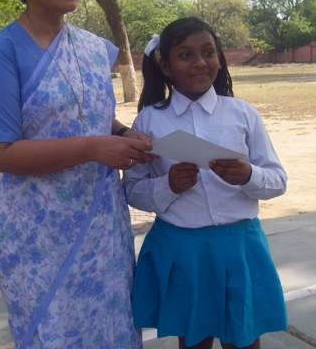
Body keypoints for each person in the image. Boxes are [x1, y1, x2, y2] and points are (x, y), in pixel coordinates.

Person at [0, 0, 151, 349]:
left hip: (102, 226)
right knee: (54, 333)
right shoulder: (2, 51)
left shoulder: (93, 48)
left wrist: (125, 133)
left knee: (112, 329)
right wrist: (93, 148)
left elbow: (92, 115)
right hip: (40, 236)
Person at [123, 17, 288, 349]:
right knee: (193, 340)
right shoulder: (149, 120)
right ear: (166, 66)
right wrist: (168, 185)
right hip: (182, 250)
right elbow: (132, 190)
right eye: (185, 55)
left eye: (208, 52)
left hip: (239, 246)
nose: (200, 62)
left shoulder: (242, 114)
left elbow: (278, 180)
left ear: (219, 58)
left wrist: (248, 175)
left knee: (243, 337)